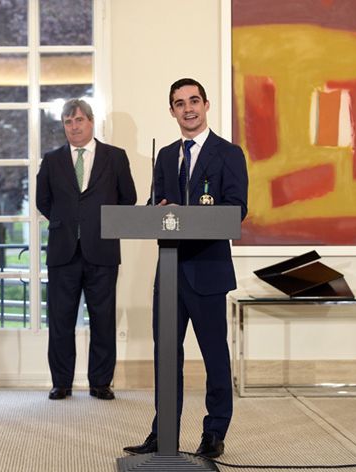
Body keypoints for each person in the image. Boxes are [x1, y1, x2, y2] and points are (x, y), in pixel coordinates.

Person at [124, 78, 248, 458]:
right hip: (170, 269)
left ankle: (214, 433)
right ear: (172, 111)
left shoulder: (228, 153)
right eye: (180, 103)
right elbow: (153, 208)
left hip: (208, 269)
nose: (188, 108)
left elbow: (236, 209)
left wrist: (190, 216)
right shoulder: (164, 156)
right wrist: (155, 213)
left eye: (194, 100)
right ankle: (163, 434)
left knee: (214, 356)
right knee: (167, 357)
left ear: (206, 105)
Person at [36, 98, 137, 401]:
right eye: (68, 122)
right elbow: (44, 200)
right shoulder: (52, 160)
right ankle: (61, 383)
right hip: (63, 250)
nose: (74, 126)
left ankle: (101, 383)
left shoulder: (114, 157)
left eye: (79, 120)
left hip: (102, 249)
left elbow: (128, 198)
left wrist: (100, 223)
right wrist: (68, 220)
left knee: (103, 319)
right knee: (61, 320)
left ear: (91, 122)